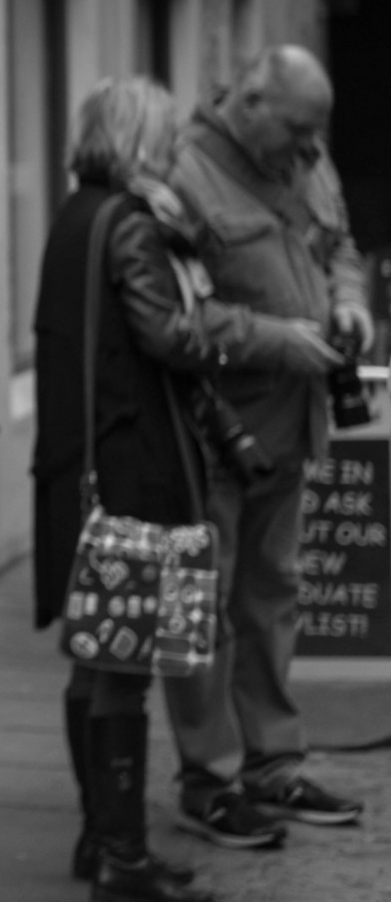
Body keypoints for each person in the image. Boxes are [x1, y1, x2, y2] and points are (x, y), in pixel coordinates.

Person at [34, 76, 345, 902]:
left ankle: (102, 839)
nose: (175, 148)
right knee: (125, 665)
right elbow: (169, 334)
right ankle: (123, 856)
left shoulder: (78, 214)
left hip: (86, 465)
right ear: (137, 138)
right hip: (137, 470)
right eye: (164, 133)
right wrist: (250, 336)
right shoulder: (131, 222)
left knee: (97, 659)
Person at [160, 46, 369, 846]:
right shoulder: (182, 174)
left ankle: (272, 764)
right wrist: (280, 340)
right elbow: (172, 316)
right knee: (200, 608)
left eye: (320, 133)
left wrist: (348, 303)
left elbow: (339, 245)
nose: (313, 150)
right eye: (299, 131)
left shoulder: (307, 163)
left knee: (272, 596)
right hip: (216, 434)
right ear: (250, 103)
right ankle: (207, 779)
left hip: (292, 425)